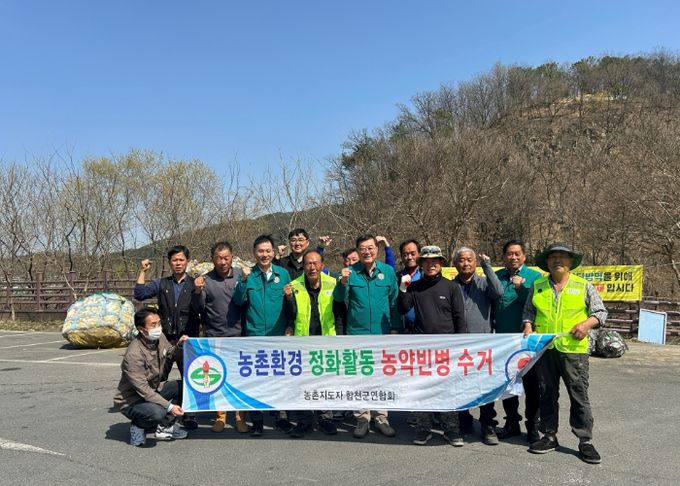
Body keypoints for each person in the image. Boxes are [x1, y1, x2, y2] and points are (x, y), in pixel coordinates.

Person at [523, 243, 607, 464]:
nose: (557, 260)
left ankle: (585, 440)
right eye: (553, 257)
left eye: (562, 257)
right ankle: (549, 436)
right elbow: (528, 312)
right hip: (545, 349)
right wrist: (528, 325)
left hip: (574, 351)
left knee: (579, 395)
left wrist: (586, 324)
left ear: (570, 262)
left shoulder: (582, 285)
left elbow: (600, 312)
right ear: (547, 262)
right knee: (547, 394)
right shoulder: (538, 285)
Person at [333, 234, 402, 438]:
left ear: (376, 250)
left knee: (382, 377)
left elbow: (394, 302)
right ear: (357, 251)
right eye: (362, 248)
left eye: (370, 247)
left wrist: (395, 327)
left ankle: (381, 417)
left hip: (382, 333)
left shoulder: (387, 272)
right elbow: (339, 298)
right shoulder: (350, 272)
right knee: (360, 378)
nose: (367, 252)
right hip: (357, 334)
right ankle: (362, 418)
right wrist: (343, 282)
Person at [397, 245, 467, 447]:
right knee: (423, 390)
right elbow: (403, 308)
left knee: (448, 390)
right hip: (422, 348)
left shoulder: (451, 287)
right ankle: (423, 429)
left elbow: (459, 317)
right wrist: (403, 289)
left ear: (441, 263)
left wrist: (460, 346)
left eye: (435, 261)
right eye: (426, 261)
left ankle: (451, 429)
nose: (431, 265)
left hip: (447, 348)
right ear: (421, 264)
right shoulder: (414, 286)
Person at [233, 234, 294, 436]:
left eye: (268, 251)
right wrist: (243, 280)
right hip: (255, 335)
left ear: (273, 252)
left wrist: (290, 325)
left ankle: (281, 417)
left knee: (279, 377)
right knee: (257, 378)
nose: (264, 254)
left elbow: (290, 305)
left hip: (278, 335)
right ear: (254, 253)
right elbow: (238, 301)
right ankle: (257, 420)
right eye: (260, 251)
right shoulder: (248, 275)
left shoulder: (283, 274)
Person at [134, 245, 200, 429]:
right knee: (158, 376)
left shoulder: (194, 284)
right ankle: (153, 411)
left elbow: (202, 308)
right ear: (170, 263)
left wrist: (198, 290)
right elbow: (140, 294)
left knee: (190, 378)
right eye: (174, 260)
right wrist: (143, 271)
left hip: (187, 341)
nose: (178, 263)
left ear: (187, 261)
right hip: (165, 339)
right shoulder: (162, 283)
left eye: (181, 260)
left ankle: (190, 415)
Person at [284, 250, 344, 438]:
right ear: (303, 266)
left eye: (315, 263)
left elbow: (340, 313)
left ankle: (325, 419)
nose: (312, 267)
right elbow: (290, 314)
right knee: (302, 382)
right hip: (302, 342)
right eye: (308, 263)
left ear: (322, 265)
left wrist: (340, 337)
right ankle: (304, 421)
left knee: (324, 382)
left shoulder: (333, 283)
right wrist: (288, 299)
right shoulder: (294, 286)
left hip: (327, 341)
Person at [191, 241, 249, 434]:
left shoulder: (241, 276)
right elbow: (199, 308)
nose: (223, 262)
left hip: (239, 336)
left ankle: (240, 417)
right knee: (218, 379)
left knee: (239, 379)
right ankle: (220, 416)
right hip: (214, 336)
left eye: (226, 258)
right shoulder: (206, 280)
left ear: (232, 257)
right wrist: (197, 291)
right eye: (218, 258)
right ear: (212, 259)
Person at [113, 307, 189, 446]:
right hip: (132, 400)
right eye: (153, 325)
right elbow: (143, 390)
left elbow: (171, 354)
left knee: (183, 386)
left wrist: (180, 345)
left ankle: (164, 427)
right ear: (141, 330)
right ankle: (138, 426)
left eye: (159, 323)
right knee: (157, 413)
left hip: (154, 389)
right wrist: (170, 407)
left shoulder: (159, 337)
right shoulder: (134, 355)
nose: (158, 327)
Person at [453, 246, 504, 445]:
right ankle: (464, 420)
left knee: (485, 386)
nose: (466, 263)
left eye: (469, 260)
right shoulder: (450, 286)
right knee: (460, 385)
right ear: (455, 264)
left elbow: (498, 292)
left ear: (475, 262)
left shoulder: (484, 283)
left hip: (482, 345)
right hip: (458, 345)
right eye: (461, 260)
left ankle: (487, 425)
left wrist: (487, 266)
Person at [494, 240, 543, 443]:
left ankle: (533, 426)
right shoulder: (497, 276)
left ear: (524, 256)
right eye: (509, 254)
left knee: (532, 386)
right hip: (504, 340)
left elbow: (536, 305)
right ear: (504, 256)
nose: (513, 257)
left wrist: (521, 288)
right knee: (508, 384)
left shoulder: (535, 277)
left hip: (527, 341)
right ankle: (512, 422)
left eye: (517, 254)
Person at [395, 239, 422, 333]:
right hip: (403, 329)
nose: (409, 257)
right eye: (405, 255)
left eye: (413, 254)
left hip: (424, 329)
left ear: (419, 254)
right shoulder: (396, 278)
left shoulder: (426, 276)